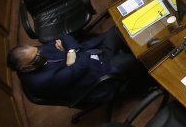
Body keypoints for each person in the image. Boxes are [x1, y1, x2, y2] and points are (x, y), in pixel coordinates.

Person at [7, 28, 141, 104]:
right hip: (96, 77)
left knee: (120, 29)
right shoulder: (41, 81)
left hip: (91, 54)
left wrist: (71, 51)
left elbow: (61, 36)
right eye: (35, 57)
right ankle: (143, 85)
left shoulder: (34, 52)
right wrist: (69, 51)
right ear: (25, 68)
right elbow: (80, 69)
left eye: (38, 51)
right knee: (134, 59)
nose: (40, 54)